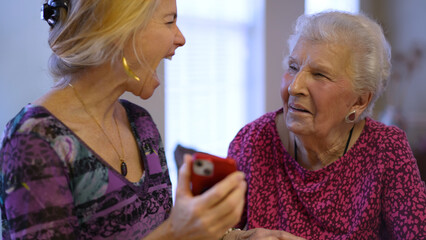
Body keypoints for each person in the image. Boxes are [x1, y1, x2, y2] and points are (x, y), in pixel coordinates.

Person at [0, 0, 247, 239]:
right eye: (169, 21)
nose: (180, 38)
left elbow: (156, 227)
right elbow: (170, 233)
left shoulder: (141, 124)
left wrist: (234, 238)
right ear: (120, 29)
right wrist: (175, 234)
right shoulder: (34, 140)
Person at [226, 11, 426, 239]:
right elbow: (213, 230)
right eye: (293, 67)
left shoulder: (386, 151)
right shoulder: (253, 141)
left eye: (320, 74)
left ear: (359, 101)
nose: (294, 87)